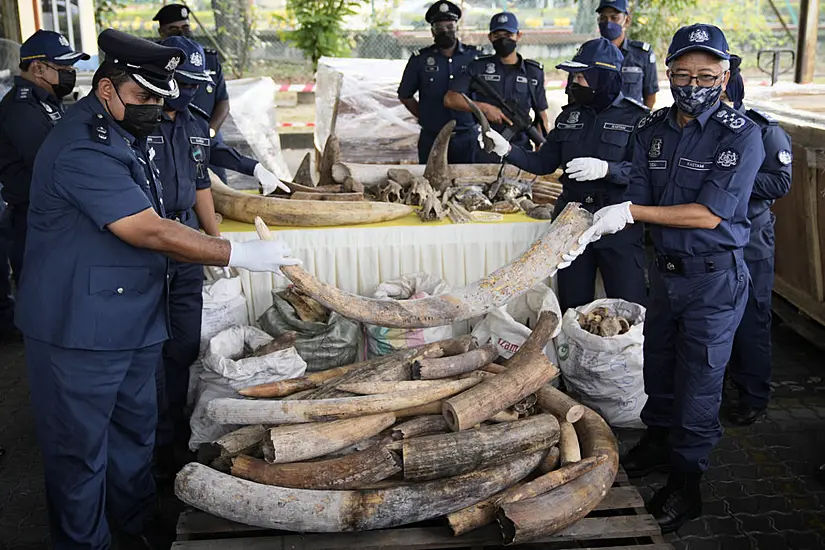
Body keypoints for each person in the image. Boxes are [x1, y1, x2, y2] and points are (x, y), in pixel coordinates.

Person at [15, 29, 298, 548]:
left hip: (135, 319)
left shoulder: (127, 132)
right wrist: (232, 252)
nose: (156, 108)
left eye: (160, 98)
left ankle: (138, 530)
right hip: (79, 330)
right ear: (106, 89)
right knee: (80, 455)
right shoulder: (82, 144)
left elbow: (181, 192)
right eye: (144, 96)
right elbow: (145, 227)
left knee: (134, 442)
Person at [572, 24, 764, 533]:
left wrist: (631, 212)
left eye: (705, 74)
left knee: (698, 385)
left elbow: (708, 215)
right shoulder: (652, 129)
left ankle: (687, 483)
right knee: (656, 369)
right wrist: (605, 208)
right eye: (681, 73)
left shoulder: (740, 136)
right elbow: (635, 182)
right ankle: (658, 443)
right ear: (670, 73)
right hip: (667, 276)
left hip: (714, 282)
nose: (692, 83)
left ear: (724, 76)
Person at [151, 35, 289, 475]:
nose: (191, 90)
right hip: (150, 250)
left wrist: (216, 249)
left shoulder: (192, 121)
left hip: (187, 251)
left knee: (183, 347)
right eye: (184, 81)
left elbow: (203, 179)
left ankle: (174, 434)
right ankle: (153, 445)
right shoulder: (139, 123)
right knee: (149, 354)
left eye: (197, 82)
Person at [483, 38, 648, 313]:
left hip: (618, 225)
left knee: (629, 306)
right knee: (572, 305)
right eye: (574, 75)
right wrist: (507, 149)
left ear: (603, 77)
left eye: (582, 76)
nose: (574, 82)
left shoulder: (638, 119)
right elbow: (544, 162)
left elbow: (645, 174)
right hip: (570, 222)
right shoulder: (570, 116)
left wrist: (607, 169)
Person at [724, 54, 792, 426]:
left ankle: (753, 395)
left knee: (752, 316)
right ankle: (717, 383)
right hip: (712, 237)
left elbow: (781, 182)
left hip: (751, 238)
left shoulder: (763, 129)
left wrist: (736, 177)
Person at [0, 30, 89, 285]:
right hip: (34, 219)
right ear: (38, 68)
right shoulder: (21, 109)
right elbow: (51, 164)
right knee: (44, 301)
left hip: (52, 215)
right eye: (64, 66)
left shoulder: (47, 100)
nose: (70, 72)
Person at [444, 12, 549, 163]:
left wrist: (542, 142)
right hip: (486, 148)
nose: (503, 39)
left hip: (521, 148)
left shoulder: (533, 72)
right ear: (490, 37)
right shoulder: (478, 67)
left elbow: (541, 114)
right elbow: (450, 99)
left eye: (508, 34)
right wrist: (484, 108)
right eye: (498, 35)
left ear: (518, 36)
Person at [154, 3, 231, 183]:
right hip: (168, 135)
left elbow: (223, 101)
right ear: (161, 32)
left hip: (207, 135)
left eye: (185, 27)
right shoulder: (155, 61)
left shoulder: (207, 59)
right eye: (173, 29)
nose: (181, 32)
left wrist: (210, 132)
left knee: (220, 189)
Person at [398, 0, 480, 164]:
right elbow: (405, 95)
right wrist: (425, 116)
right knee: (429, 186)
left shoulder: (474, 57)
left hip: (466, 138)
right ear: (432, 31)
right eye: (439, 28)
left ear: (457, 27)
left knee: (468, 186)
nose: (445, 32)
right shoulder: (420, 59)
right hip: (432, 138)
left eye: (449, 27)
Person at [595, 0, 658, 108]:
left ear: (627, 21)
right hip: (598, 121)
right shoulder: (590, 54)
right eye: (603, 18)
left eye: (614, 18)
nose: (608, 23)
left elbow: (650, 97)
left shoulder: (642, 54)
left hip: (631, 122)